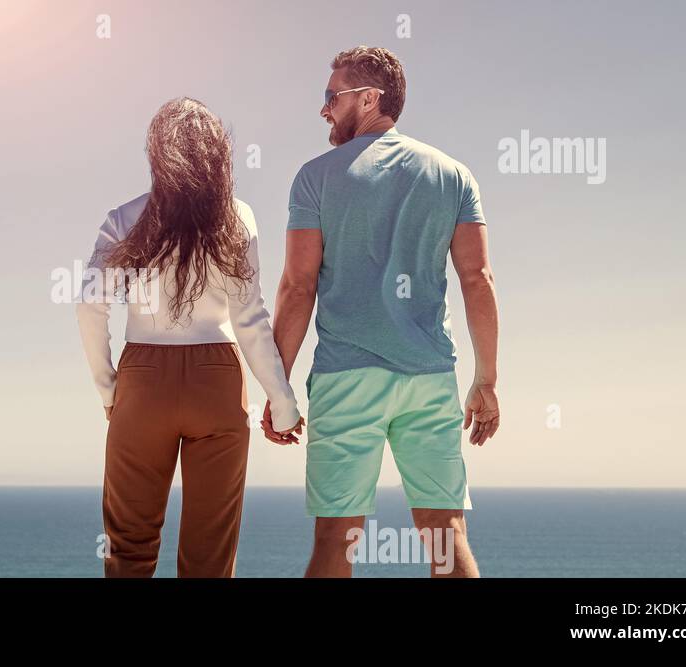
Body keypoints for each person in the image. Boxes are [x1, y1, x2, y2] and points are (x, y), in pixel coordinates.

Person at [265, 47, 501, 577]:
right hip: (431, 377)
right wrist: (486, 379)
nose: (324, 109)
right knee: (446, 537)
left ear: (368, 98)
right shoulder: (454, 176)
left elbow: (298, 287)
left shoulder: (314, 178)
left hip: (346, 380)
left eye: (331, 97)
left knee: (334, 542)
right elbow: (477, 280)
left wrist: (278, 388)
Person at [77, 97, 304, 578]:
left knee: (129, 549)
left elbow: (89, 304)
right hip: (217, 381)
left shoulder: (124, 217)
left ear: (156, 152)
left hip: (142, 380)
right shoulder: (237, 217)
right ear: (219, 156)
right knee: (210, 557)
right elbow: (250, 318)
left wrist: (109, 388)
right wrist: (281, 402)